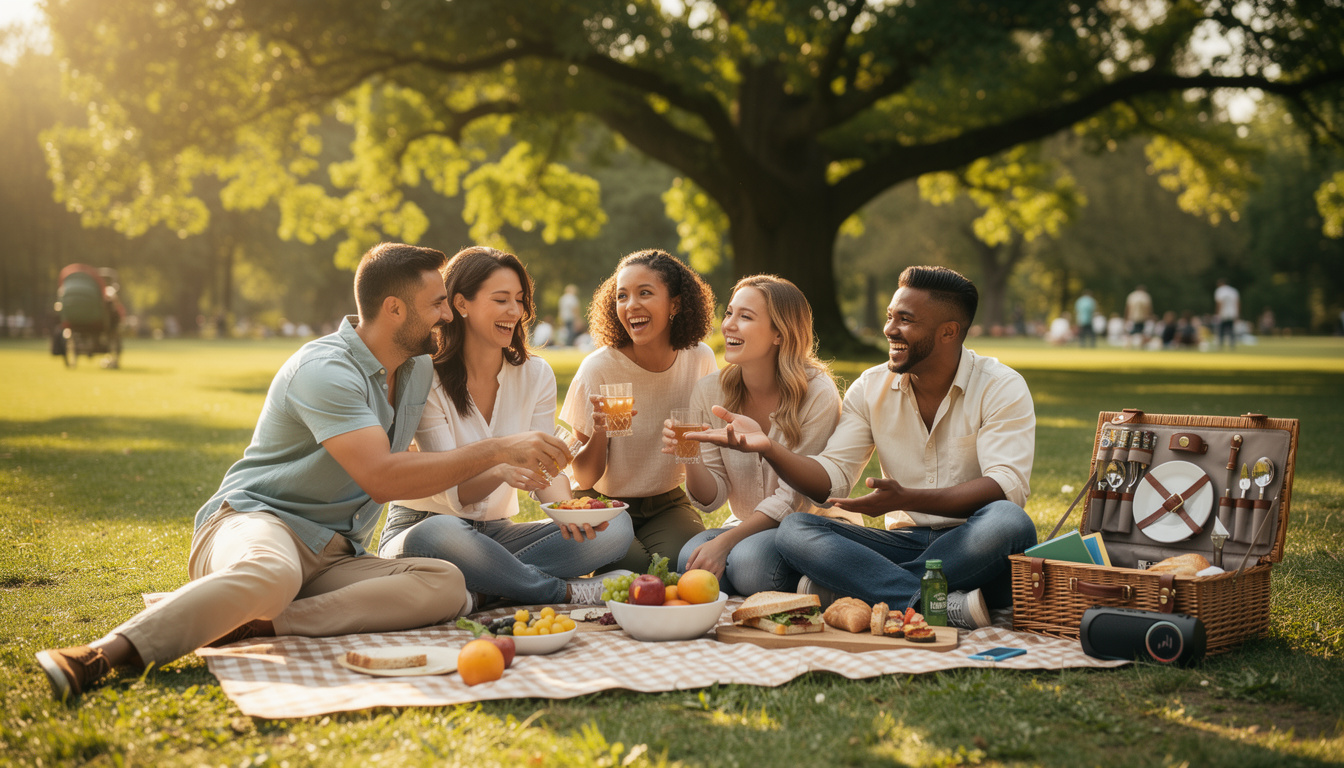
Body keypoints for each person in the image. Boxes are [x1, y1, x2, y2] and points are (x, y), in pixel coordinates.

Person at [35, 243, 570, 700]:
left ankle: (263, 623)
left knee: (445, 583)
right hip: (257, 521)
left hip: (335, 552)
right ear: (394, 309)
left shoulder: (413, 371)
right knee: (275, 574)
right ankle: (102, 654)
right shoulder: (325, 370)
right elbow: (382, 478)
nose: (448, 316)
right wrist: (499, 449)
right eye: (436, 304)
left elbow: (438, 447)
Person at [688, 266, 1037, 630]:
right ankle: (937, 601)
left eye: (905, 320)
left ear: (948, 331)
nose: (889, 329)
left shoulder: (1000, 387)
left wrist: (907, 498)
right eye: (890, 317)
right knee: (795, 530)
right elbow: (831, 482)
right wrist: (770, 448)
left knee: (1009, 522)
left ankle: (866, 586)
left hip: (971, 538)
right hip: (902, 541)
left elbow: (1005, 487)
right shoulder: (870, 388)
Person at [378, 247, 634, 607]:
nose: (515, 312)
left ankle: (486, 588)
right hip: (424, 528)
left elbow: (544, 470)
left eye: (519, 300)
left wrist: (571, 513)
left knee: (615, 529)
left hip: (498, 536)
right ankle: (562, 592)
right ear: (461, 304)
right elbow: (456, 494)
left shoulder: (536, 375)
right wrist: (499, 468)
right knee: (443, 532)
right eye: (501, 300)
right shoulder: (426, 375)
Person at [665, 276, 846, 595]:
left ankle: (825, 582)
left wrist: (724, 542)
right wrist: (688, 453)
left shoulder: (817, 392)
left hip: (805, 526)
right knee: (688, 562)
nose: (729, 325)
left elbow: (795, 499)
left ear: (779, 333)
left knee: (750, 569)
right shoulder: (710, 391)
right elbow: (712, 499)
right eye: (729, 313)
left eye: (745, 317)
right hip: (749, 526)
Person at [560, 249, 718, 573]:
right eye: (622, 296)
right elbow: (582, 476)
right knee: (627, 573)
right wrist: (602, 430)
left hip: (667, 502)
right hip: (603, 502)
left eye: (644, 293)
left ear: (674, 303)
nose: (631, 305)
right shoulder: (599, 368)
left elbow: (709, 443)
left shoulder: (699, 358)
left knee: (689, 566)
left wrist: (693, 447)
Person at [1214, 279, 1240, 350]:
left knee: (1221, 330)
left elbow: (1219, 303)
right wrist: (1237, 314)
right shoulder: (1234, 291)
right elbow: (1237, 303)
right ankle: (1232, 345)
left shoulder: (1219, 291)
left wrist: (1217, 313)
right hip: (1232, 313)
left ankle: (1220, 345)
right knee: (1231, 330)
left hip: (1223, 313)